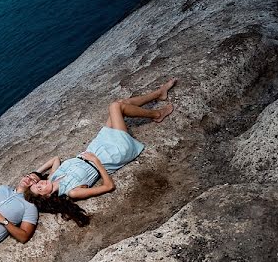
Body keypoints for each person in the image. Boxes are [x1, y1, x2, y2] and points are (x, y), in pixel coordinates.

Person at [26, 79, 176, 217]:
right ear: (46, 197)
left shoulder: (53, 177)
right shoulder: (72, 192)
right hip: (113, 154)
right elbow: (108, 186)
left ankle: (159, 94)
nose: (41, 184)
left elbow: (55, 159)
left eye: (38, 184)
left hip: (98, 145)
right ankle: (157, 114)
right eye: (39, 189)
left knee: (120, 103)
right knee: (116, 106)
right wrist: (96, 162)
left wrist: (33, 175)